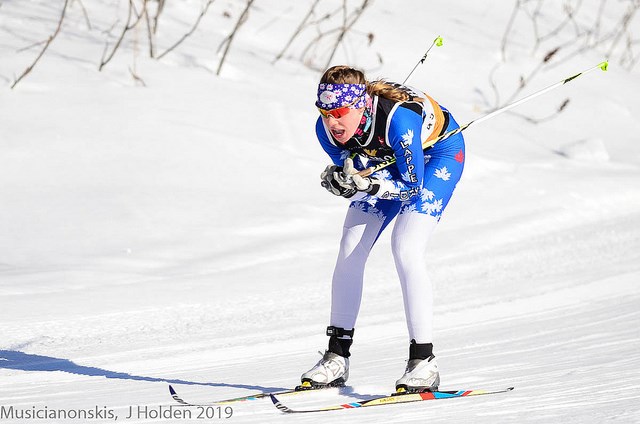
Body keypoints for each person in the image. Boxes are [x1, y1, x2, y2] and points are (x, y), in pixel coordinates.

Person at [299, 65, 465, 393]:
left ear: (360, 106)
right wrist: (345, 179)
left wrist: (369, 185)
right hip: (390, 165)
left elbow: (411, 186)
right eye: (325, 111)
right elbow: (357, 167)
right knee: (350, 247)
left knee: (406, 246)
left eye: (340, 112)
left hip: (437, 157)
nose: (332, 121)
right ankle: (337, 356)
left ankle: (424, 361)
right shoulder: (325, 129)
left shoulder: (398, 122)